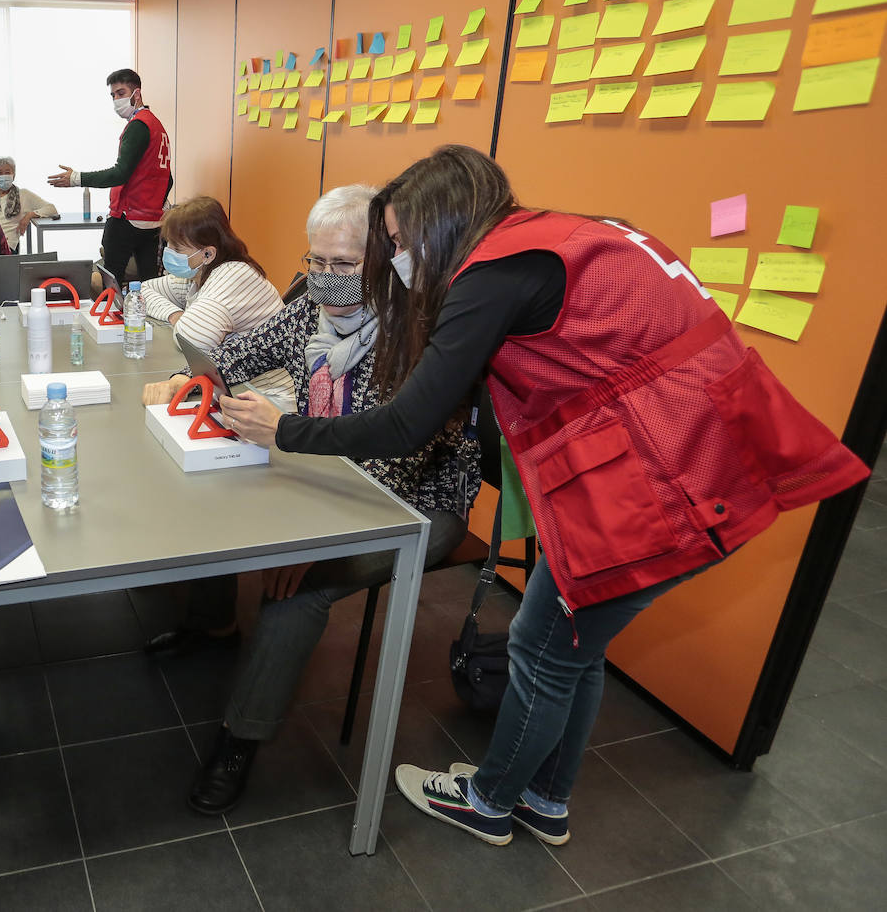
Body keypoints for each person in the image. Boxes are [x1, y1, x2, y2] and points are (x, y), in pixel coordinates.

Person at [220, 145, 868, 847]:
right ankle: (546, 798)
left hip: (658, 479)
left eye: (401, 243)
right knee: (575, 648)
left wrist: (285, 428)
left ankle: (490, 802)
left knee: (542, 648)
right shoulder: (566, 235)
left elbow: (408, 424)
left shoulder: (490, 275)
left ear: (442, 227)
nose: (398, 260)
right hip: (694, 454)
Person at [144, 185, 480, 815]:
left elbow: (395, 466)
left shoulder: (425, 337)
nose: (325, 279)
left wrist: (314, 539)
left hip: (417, 504)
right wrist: (189, 379)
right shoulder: (313, 313)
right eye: (315, 263)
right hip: (327, 468)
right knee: (216, 491)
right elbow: (233, 355)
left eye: (343, 265)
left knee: (299, 588)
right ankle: (213, 624)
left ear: (384, 257)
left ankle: (239, 740)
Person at [140, 196, 295, 411]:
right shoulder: (198, 274)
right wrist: (175, 315)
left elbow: (191, 340)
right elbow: (144, 291)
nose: (169, 252)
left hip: (271, 401)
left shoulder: (233, 276)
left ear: (207, 253)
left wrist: (184, 321)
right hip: (236, 385)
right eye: (168, 244)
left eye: (177, 248)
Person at [47, 68, 172, 281]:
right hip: (152, 220)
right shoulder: (157, 126)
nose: (116, 99)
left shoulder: (138, 126)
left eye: (121, 93)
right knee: (150, 284)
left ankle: (111, 315)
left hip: (127, 217)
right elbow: (168, 178)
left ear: (137, 94)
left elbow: (120, 174)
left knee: (111, 281)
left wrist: (76, 178)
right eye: (113, 95)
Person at [0, 156, 59, 252]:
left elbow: (51, 208)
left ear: (13, 175)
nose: (4, 176)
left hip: (6, 247)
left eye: (7, 172)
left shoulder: (23, 194)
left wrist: (29, 215)